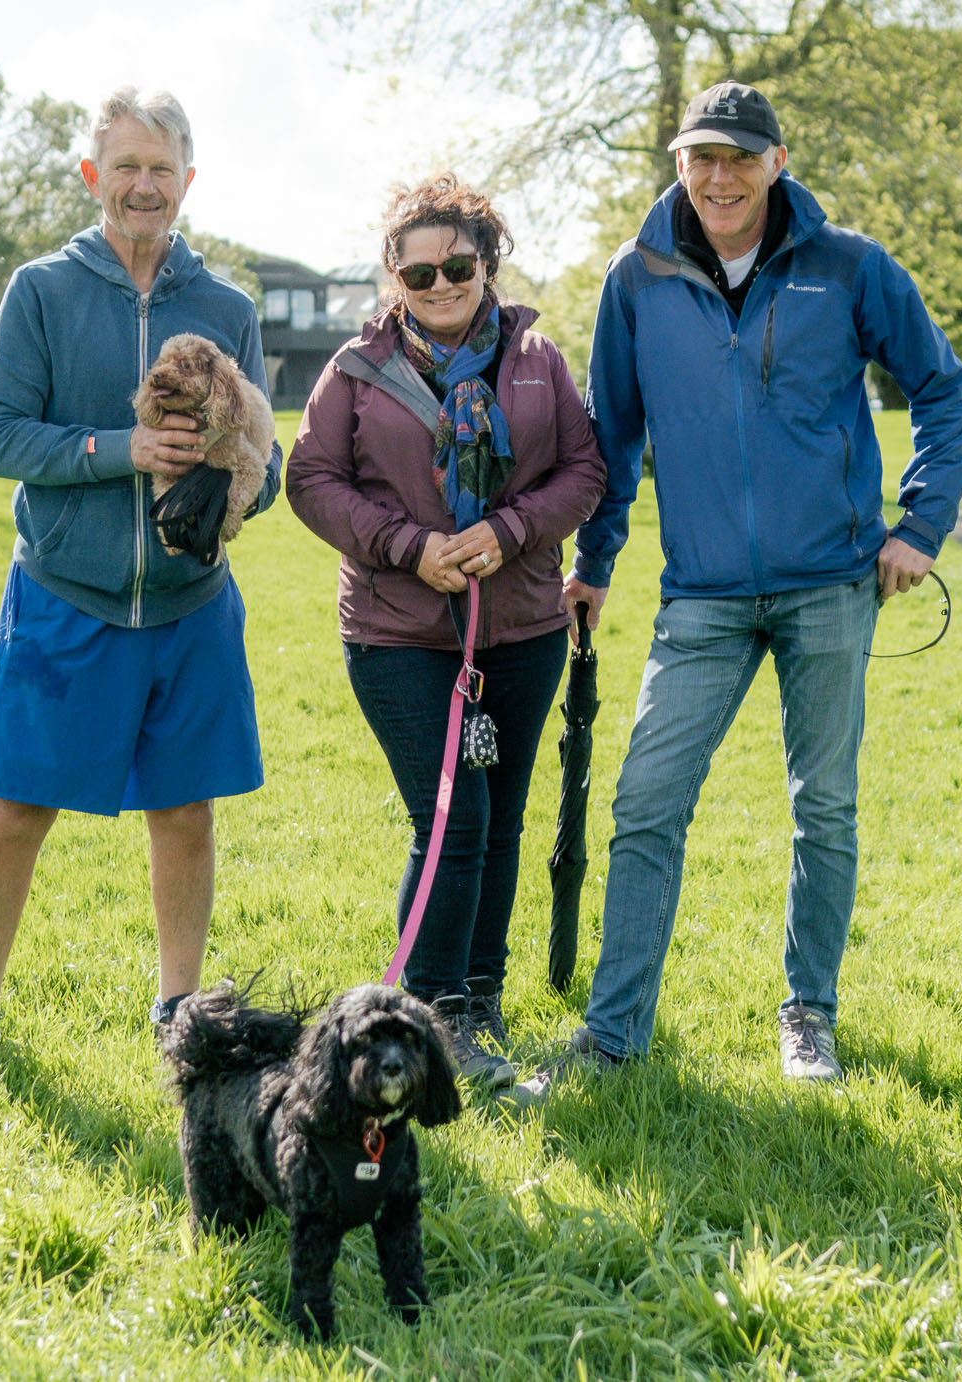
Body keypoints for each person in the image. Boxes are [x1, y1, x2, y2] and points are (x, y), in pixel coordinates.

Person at [519, 81, 962, 1094]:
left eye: (738, 157)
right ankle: (614, 1033)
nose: (719, 177)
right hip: (703, 593)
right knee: (646, 800)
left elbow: (942, 390)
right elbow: (612, 435)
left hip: (832, 583)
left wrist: (919, 527)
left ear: (777, 162)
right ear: (679, 165)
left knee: (825, 806)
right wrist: (594, 562)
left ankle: (808, 1013)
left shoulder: (849, 266)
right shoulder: (636, 278)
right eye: (701, 158)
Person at [0, 87, 280, 1052]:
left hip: (189, 603)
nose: (143, 185)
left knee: (185, 811)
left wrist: (229, 490)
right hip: (63, 594)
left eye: (161, 169)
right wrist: (117, 450)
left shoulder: (228, 309)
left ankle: (179, 1007)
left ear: (187, 181)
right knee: (14, 811)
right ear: (94, 175)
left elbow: (266, 458)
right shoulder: (40, 291)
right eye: (125, 166)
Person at [287, 175, 606, 1086]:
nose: (440, 285)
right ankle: (430, 1019)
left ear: (487, 264)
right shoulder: (356, 369)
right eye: (418, 272)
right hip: (400, 634)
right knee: (452, 817)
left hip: (524, 626)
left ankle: (479, 997)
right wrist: (409, 546)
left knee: (499, 819)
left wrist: (510, 531)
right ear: (394, 276)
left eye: (457, 266)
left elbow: (584, 470)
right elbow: (311, 480)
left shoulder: (537, 359)